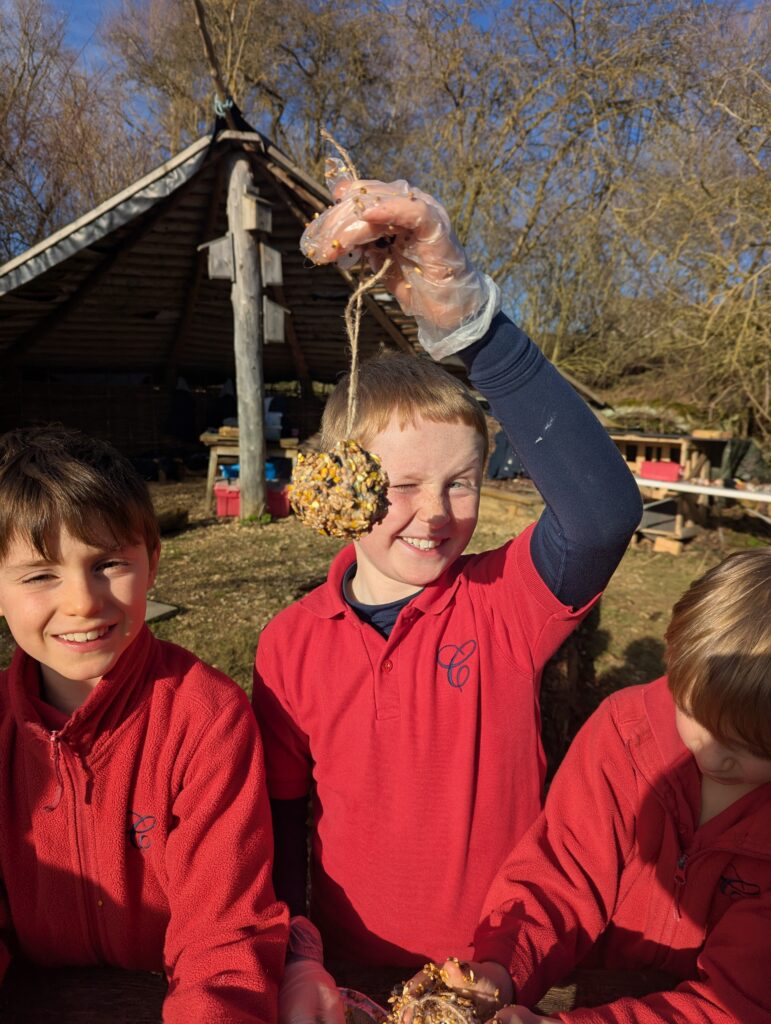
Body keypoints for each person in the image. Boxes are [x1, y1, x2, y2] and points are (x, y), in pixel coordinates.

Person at [251, 177, 642, 1016]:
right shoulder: (289, 642)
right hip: (347, 975)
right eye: (398, 486)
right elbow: (284, 824)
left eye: (460, 484)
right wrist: (296, 953)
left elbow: (604, 515)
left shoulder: (502, 602)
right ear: (337, 487)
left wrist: (471, 326)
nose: (433, 516)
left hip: (503, 970)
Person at [0, 426, 288, 1023]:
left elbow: (226, 935)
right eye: (39, 575)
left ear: (152, 563)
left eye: (108, 563)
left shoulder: (207, 719)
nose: (82, 601)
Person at [421, 547, 771, 1024]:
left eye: (748, 747)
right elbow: (563, 871)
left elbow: (740, 1001)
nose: (712, 754)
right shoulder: (626, 734)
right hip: (595, 986)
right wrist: (503, 967)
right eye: (693, 712)